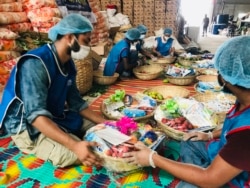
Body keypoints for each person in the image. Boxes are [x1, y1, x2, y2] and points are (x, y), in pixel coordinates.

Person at [123, 36, 250, 187]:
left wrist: (152, 158)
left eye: (220, 71)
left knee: (190, 185)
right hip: (224, 152)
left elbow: (211, 180)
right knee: (188, 140)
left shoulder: (246, 133)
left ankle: (197, 175)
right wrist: (209, 134)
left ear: (227, 78)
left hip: (235, 180)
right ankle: (197, 172)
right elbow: (232, 126)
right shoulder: (243, 98)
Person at [0, 14, 106, 168]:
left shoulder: (69, 64)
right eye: (86, 40)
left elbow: (77, 103)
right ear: (70, 37)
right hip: (27, 125)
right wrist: (74, 146)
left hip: (51, 114)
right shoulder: (35, 64)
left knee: (98, 129)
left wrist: (107, 123)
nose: (88, 47)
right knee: (83, 154)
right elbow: (36, 117)